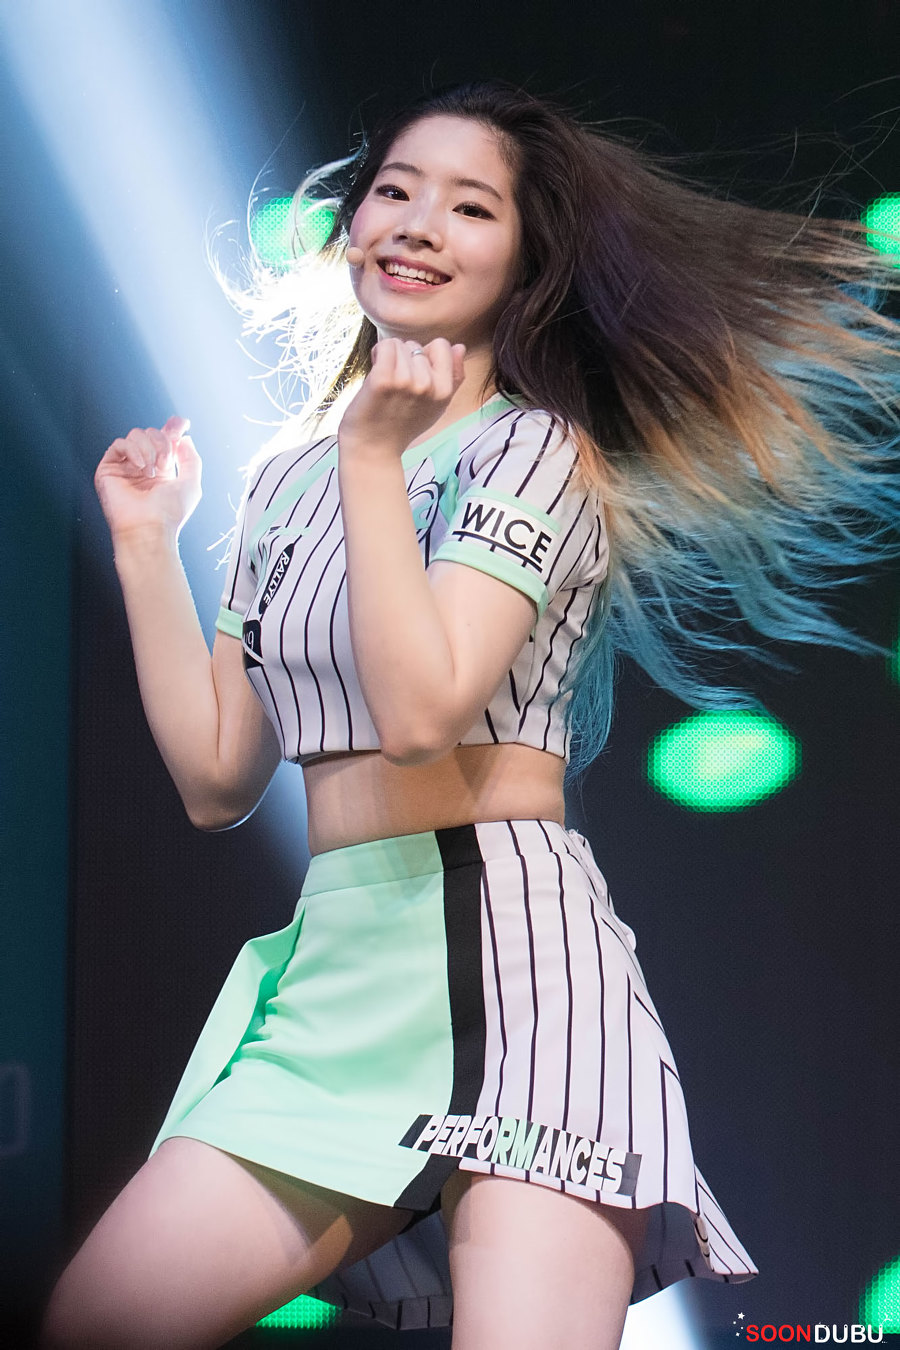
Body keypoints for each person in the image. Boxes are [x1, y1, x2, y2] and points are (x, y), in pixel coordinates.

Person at [42, 81, 900, 1350]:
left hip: (519, 974)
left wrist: (374, 458)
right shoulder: (287, 480)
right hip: (336, 978)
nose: (418, 224)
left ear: (524, 264)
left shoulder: (531, 453)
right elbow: (219, 777)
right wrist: (144, 545)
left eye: (470, 207)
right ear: (351, 227)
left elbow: (423, 712)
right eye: (394, 191)